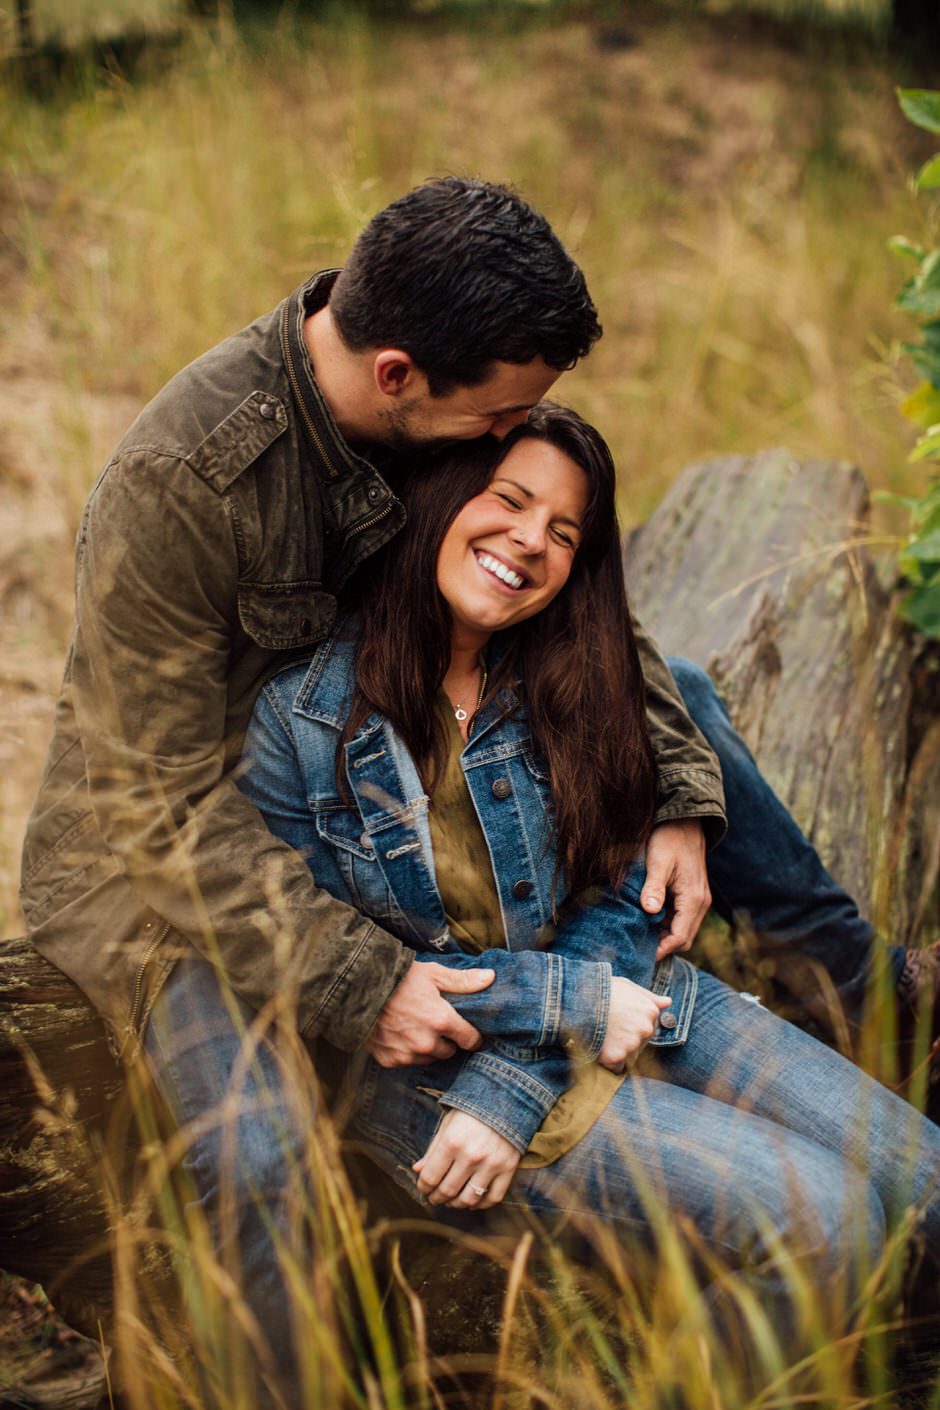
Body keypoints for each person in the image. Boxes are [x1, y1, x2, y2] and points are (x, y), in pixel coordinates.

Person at [18, 175, 936, 1093]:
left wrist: (680, 794)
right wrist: (370, 983)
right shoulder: (183, 482)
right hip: (171, 863)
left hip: (370, 776)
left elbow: (584, 614)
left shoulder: (420, 381)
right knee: (260, 1150)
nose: (510, 433)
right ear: (394, 374)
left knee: (681, 692)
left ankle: (875, 1007)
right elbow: (158, 808)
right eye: (499, 417)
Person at [150, 400, 935, 1400]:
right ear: (435, 502)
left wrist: (571, 1009)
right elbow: (338, 982)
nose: (530, 541)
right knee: (831, 1226)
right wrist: (536, 1051)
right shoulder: (297, 720)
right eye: (508, 502)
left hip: (636, 1001)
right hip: (439, 1074)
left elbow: (622, 890)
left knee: (926, 1200)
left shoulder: (576, 670)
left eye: (563, 531)